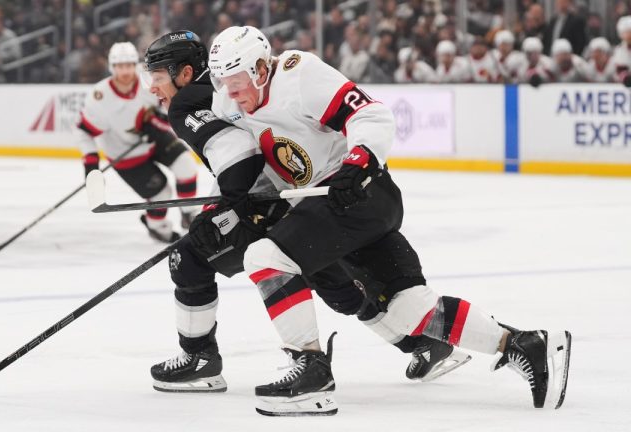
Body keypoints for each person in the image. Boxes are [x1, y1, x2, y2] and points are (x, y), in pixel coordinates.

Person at [208, 25, 572, 416]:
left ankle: (311, 371)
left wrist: (359, 160)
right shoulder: (230, 103)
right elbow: (252, 164)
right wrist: (226, 201)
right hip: (325, 206)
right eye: (222, 82)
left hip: (360, 193)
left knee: (266, 257)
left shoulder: (299, 74)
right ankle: (524, 344)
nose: (231, 91)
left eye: (237, 80)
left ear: (261, 69)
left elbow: (370, 113)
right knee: (407, 308)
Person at [142, 30, 469, 396]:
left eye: (157, 77)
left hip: (266, 203)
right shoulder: (228, 86)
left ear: (184, 73)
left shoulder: (188, 102)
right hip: (299, 196)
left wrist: (219, 208)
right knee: (334, 279)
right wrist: (219, 202)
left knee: (188, 259)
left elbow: (237, 157)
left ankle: (201, 359)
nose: (152, 87)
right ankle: (421, 343)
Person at [75, 42, 200, 243]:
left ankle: (189, 213)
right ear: (112, 67)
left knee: (186, 165)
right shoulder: (100, 98)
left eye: (129, 65)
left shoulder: (150, 80)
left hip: (154, 138)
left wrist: (159, 122)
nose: (125, 71)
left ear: (136, 65)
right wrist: (91, 165)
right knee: (162, 193)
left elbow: (170, 109)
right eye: (120, 66)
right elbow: (84, 132)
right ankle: (157, 226)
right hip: (125, 153)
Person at [612, 16, 631, 86]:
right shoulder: (619, 50)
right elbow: (621, 71)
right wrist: (626, 78)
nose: (628, 35)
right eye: (625, 32)